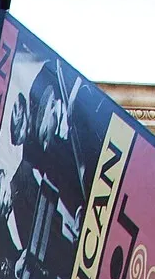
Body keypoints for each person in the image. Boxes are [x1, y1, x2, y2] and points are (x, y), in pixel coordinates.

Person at [8, 60, 109, 228]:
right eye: (23, 135)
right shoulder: (32, 153)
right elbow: (57, 177)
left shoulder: (40, 83)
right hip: (80, 168)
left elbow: (71, 82)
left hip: (89, 136)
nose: (27, 133)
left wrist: (68, 109)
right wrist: (76, 208)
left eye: (25, 125)